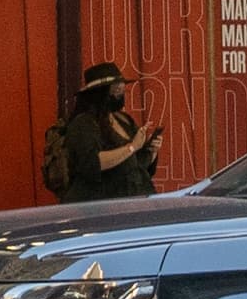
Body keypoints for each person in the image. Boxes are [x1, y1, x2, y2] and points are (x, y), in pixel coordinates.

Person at [53, 63, 164, 203]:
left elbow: (139, 164)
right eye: (115, 87)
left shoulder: (124, 119)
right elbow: (92, 164)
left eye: (121, 86)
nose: (121, 90)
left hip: (135, 200)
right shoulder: (83, 123)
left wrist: (152, 151)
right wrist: (131, 147)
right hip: (101, 206)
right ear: (100, 92)